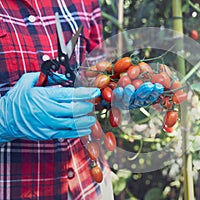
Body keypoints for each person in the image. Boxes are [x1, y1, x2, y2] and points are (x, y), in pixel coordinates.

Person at [0, 0, 114, 199]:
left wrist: (112, 91)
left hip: (90, 185)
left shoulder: (86, 2)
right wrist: (4, 119)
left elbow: (97, 69)